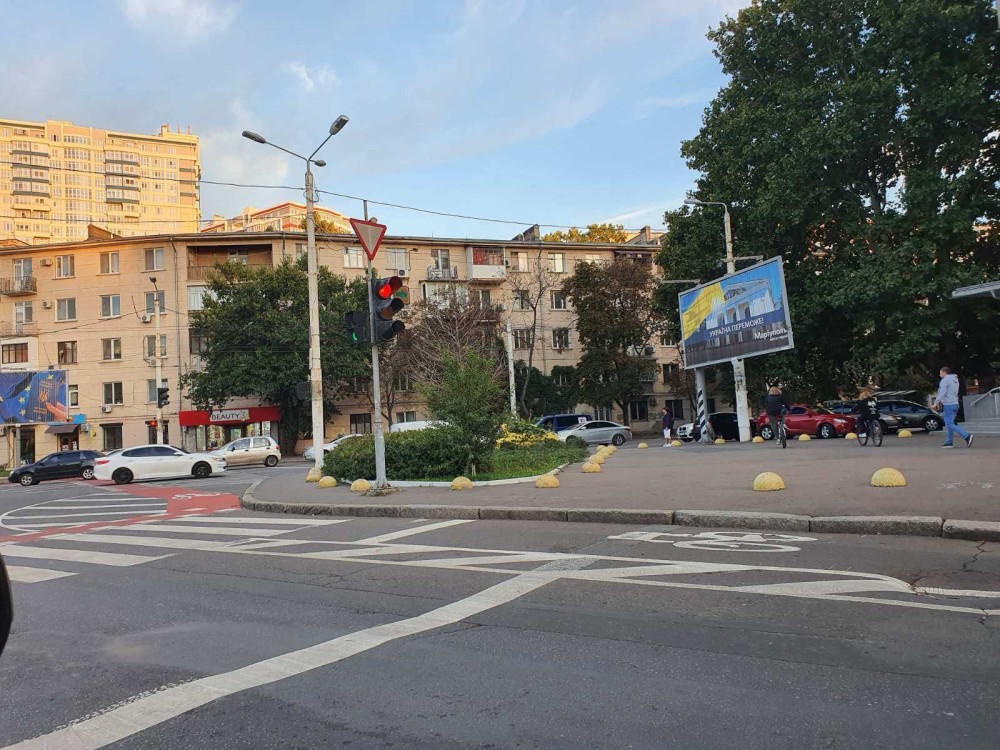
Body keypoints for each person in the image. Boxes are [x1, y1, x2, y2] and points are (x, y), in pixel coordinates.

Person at [934, 366, 973, 448]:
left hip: (948, 404)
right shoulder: (955, 380)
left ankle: (966, 436)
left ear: (944, 372)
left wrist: (935, 403)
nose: (939, 375)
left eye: (940, 373)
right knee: (950, 423)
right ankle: (949, 442)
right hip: (955, 403)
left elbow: (942, 392)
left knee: (949, 424)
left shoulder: (945, 380)